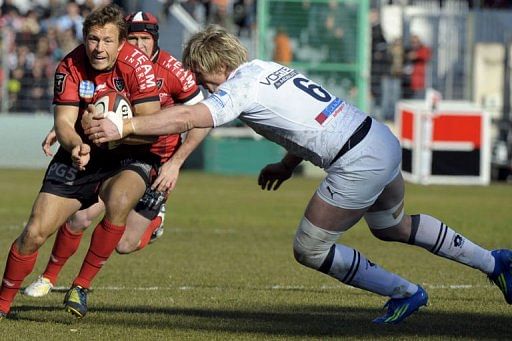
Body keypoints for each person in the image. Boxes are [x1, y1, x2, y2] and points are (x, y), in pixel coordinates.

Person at [84, 24, 512, 325]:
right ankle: (495, 262)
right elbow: (304, 120)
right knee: (393, 226)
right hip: (378, 139)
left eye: (200, 76)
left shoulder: (237, 87)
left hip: (354, 161)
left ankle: (405, 293)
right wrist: (287, 164)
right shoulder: (267, 68)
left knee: (309, 248)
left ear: (211, 67)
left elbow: (191, 116)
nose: (201, 84)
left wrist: (129, 126)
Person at [23, 11, 207, 300]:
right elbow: (96, 100)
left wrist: (177, 163)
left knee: (125, 243)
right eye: (131, 38)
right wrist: (62, 128)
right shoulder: (117, 61)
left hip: (154, 160)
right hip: (112, 153)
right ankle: (49, 277)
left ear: (154, 41)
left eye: (143, 39)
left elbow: (202, 117)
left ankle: (154, 220)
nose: (137, 44)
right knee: (78, 218)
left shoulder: (173, 71)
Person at [0, 4, 163, 320]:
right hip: (84, 152)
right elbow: (64, 121)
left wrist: (116, 133)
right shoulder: (70, 65)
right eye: (92, 39)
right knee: (35, 231)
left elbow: (151, 126)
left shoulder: (137, 67)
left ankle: (81, 285)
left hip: (132, 152)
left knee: (119, 198)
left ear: (121, 41)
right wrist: (75, 144)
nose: (98, 48)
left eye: (107, 40)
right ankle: (3, 302)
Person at [403, 34, 431, 99]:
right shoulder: (408, 50)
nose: (414, 44)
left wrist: (416, 55)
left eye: (416, 42)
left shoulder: (423, 50)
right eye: (412, 42)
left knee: (418, 100)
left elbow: (426, 55)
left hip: (419, 83)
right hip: (408, 82)